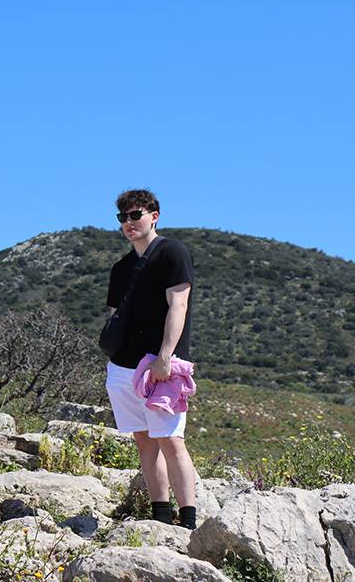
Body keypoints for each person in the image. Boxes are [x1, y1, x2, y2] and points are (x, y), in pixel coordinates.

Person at [105, 190, 197, 529]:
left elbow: (179, 305)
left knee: (171, 441)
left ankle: (188, 522)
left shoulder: (172, 253)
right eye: (123, 217)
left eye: (136, 215)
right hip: (123, 367)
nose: (129, 222)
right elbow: (115, 317)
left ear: (154, 215)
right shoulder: (121, 268)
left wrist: (165, 357)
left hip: (161, 366)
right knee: (144, 441)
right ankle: (160, 517)